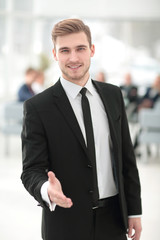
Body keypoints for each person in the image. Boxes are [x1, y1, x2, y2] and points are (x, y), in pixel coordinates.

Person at [21, 19, 142, 240]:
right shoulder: (37, 107)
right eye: (65, 50)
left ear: (92, 50)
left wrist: (134, 210)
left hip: (114, 220)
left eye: (80, 48)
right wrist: (47, 189)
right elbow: (31, 170)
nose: (73, 58)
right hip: (65, 223)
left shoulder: (113, 95)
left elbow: (126, 158)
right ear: (55, 54)